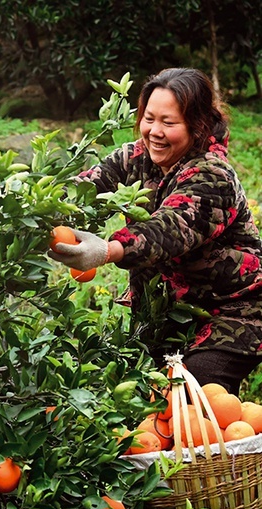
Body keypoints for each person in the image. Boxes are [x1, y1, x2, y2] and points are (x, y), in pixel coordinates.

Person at [48, 67, 262, 395]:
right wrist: (34, 207)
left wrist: (107, 250)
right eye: (149, 118)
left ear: (198, 125)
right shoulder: (135, 158)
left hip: (232, 311)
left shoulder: (213, 176)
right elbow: (84, 189)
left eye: (169, 122)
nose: (155, 132)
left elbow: (169, 229)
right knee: (133, 393)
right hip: (166, 311)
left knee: (194, 392)